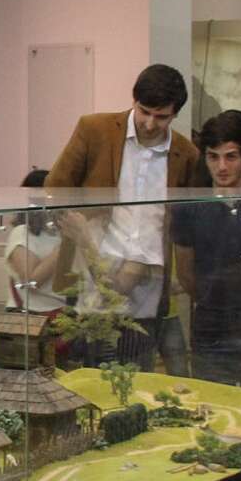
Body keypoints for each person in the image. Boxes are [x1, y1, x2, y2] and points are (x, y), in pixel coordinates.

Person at [44, 64, 201, 370]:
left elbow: (185, 220)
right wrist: (81, 226)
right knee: (85, 373)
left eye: (161, 117)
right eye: (144, 112)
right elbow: (55, 188)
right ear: (134, 101)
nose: (150, 124)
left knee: (137, 374)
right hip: (90, 278)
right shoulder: (95, 130)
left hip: (148, 285)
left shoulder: (186, 154)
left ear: (174, 114)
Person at [171, 110, 241, 390]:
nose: (221, 166)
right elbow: (185, 273)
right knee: (213, 401)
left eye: (230, 157)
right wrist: (211, 297)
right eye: (213, 157)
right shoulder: (189, 207)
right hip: (212, 324)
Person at [5, 169, 68, 314]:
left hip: (63, 311)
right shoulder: (22, 232)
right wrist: (65, 246)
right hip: (34, 314)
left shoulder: (58, 231)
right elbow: (31, 282)